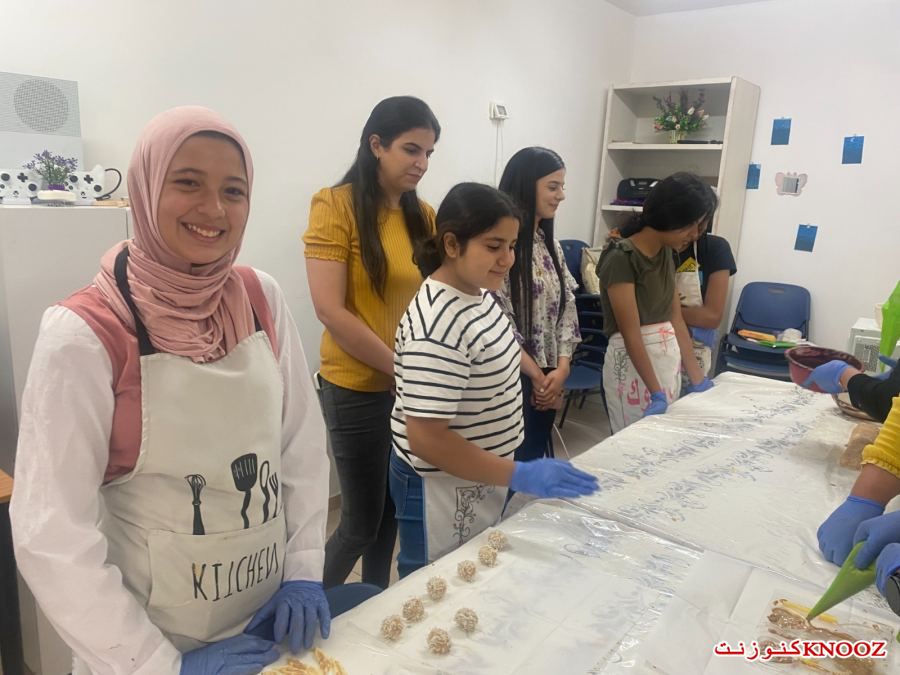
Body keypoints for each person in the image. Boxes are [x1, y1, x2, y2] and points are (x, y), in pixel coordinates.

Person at [10, 107, 330, 674]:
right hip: (150, 642)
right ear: (145, 188)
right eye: (187, 183)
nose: (214, 209)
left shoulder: (261, 300)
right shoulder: (84, 333)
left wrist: (303, 569)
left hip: (266, 625)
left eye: (233, 190)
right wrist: (161, 665)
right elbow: (51, 532)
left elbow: (299, 445)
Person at [389, 182, 599, 576]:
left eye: (512, 246)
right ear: (452, 244)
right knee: (434, 582)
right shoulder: (437, 325)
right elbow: (426, 438)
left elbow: (498, 343)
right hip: (440, 485)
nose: (507, 259)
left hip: (478, 472)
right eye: (493, 246)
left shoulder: (478, 293)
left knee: (472, 569)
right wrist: (519, 474)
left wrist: (537, 374)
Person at [303, 96, 439, 589]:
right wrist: (401, 369)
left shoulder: (424, 216)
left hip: (407, 388)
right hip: (356, 386)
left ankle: (373, 604)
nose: (421, 163)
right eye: (411, 149)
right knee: (360, 523)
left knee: (391, 516)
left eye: (429, 153)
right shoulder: (334, 205)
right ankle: (304, 607)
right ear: (376, 145)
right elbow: (330, 310)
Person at [596, 172, 714, 433]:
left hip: (664, 364)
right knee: (632, 444)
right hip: (633, 369)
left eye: (700, 227)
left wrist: (697, 379)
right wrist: (655, 392)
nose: (695, 235)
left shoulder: (666, 254)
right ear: (671, 215)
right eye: (692, 226)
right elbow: (631, 334)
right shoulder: (621, 257)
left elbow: (676, 320)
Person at [496, 147, 581, 461]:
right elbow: (498, 319)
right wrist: (535, 375)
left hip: (548, 374)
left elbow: (567, 309)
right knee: (509, 464)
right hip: (510, 375)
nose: (561, 195)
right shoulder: (502, 248)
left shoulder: (549, 245)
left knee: (532, 459)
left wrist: (561, 369)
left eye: (562, 186)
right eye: (552, 186)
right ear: (525, 185)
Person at [671, 188, 736, 375]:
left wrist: (666, 312)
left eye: (700, 226)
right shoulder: (657, 249)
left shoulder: (715, 249)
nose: (693, 233)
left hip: (695, 347)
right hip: (656, 345)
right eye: (686, 224)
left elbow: (711, 317)